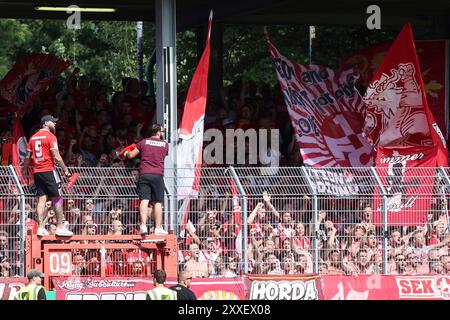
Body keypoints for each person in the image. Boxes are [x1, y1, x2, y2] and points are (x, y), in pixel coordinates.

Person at [22, 115, 73, 237]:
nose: (55, 124)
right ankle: (60, 227)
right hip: (49, 170)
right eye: (53, 122)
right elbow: (56, 155)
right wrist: (65, 169)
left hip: (37, 172)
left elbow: (28, 157)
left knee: (42, 199)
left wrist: (24, 169)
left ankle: (40, 227)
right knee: (58, 197)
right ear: (45, 123)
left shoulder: (33, 138)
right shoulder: (51, 136)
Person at [121, 124, 168, 235]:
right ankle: (158, 228)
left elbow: (131, 155)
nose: (163, 133)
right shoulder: (165, 145)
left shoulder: (143, 142)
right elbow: (163, 155)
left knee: (144, 200)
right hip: (158, 174)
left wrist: (126, 152)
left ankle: (143, 226)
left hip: (145, 173)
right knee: (157, 202)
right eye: (162, 131)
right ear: (158, 132)